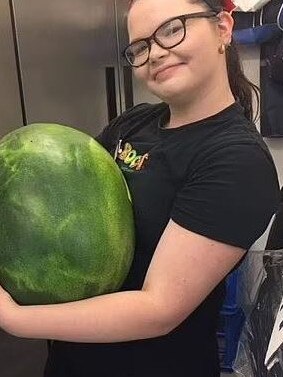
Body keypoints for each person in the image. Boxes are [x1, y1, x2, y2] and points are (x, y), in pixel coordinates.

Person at [0, 0, 280, 376]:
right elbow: (50, 194)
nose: (156, 53)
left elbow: (159, 309)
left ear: (223, 29)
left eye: (171, 29)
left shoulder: (237, 161)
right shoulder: (135, 123)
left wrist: (15, 319)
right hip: (72, 357)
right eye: (141, 46)